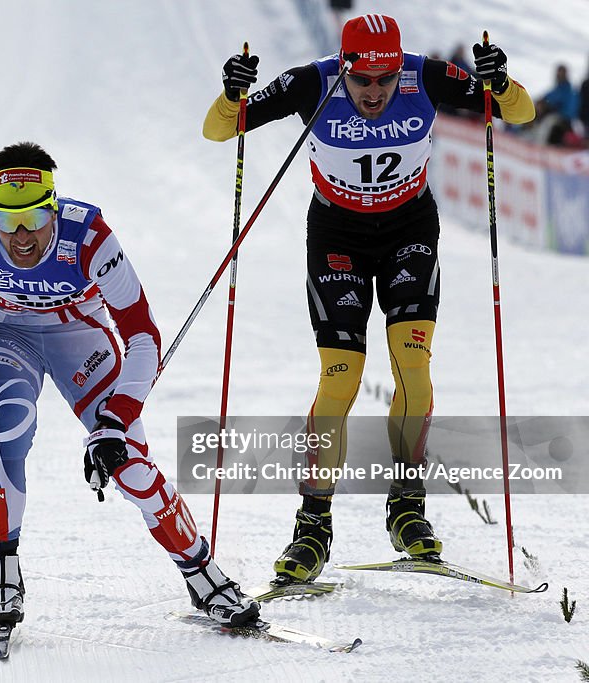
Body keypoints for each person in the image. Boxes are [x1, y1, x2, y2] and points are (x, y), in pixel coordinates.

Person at [203, 14, 535, 584]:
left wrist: (499, 82)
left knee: (413, 367)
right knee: (340, 377)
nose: (375, 92)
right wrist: (231, 93)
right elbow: (219, 129)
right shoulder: (313, 81)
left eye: (386, 80)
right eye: (363, 82)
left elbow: (520, 112)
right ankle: (313, 524)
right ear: (346, 67)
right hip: (337, 238)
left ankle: (407, 506)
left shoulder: (426, 76)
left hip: (408, 231)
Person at [0, 141, 259, 629]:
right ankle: (2, 569)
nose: (20, 237)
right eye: (7, 222)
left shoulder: (90, 236)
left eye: (34, 221)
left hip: (76, 333)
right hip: (1, 329)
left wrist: (114, 422)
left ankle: (201, 572)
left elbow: (143, 335)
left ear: (52, 210)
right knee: (11, 424)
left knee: (129, 463)